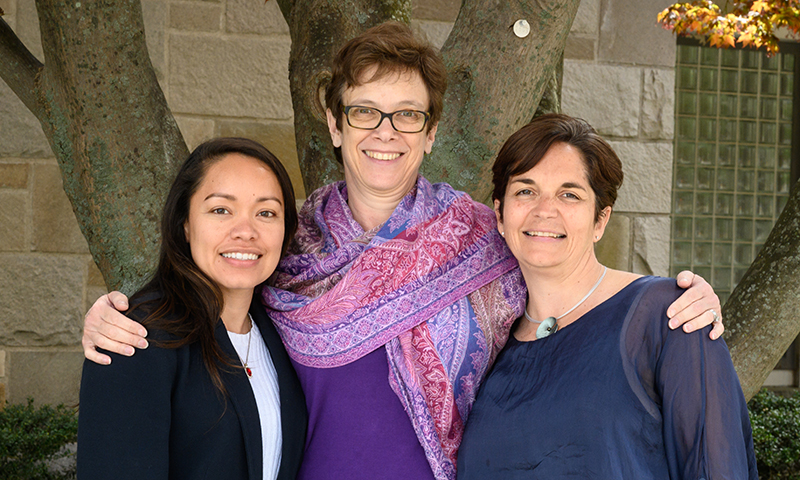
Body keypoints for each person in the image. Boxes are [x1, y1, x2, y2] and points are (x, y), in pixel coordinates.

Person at [80, 23, 724, 480]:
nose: (385, 133)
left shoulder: (486, 239)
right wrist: (119, 316)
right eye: (364, 112)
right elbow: (210, 315)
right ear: (335, 125)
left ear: (431, 130)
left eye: (407, 115)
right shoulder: (286, 252)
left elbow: (572, 285)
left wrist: (678, 300)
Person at [457, 114, 757, 479]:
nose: (544, 210)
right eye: (525, 190)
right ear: (501, 214)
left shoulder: (669, 314)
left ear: (600, 220)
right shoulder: (482, 344)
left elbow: (715, 467)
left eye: (569, 194)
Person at [77, 138, 307, 480]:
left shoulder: (287, 332)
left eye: (266, 213)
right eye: (220, 210)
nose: (246, 231)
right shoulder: (135, 339)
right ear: (185, 223)